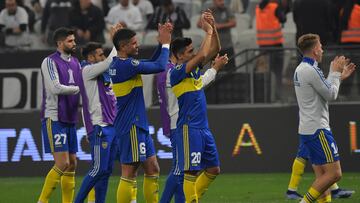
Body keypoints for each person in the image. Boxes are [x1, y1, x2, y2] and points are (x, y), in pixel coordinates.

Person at [157, 36, 227, 203]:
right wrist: (208, 31)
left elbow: (213, 51)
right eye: (190, 51)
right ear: (180, 56)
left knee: (212, 169)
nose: (194, 53)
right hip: (185, 125)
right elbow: (202, 56)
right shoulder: (174, 71)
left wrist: (212, 27)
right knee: (183, 171)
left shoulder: (191, 69)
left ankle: (190, 198)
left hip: (202, 127)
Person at [109, 22, 172, 203]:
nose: (138, 46)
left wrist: (160, 43)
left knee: (152, 168)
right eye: (134, 43)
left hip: (138, 124)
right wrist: (167, 44)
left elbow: (151, 63)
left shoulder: (123, 63)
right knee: (129, 171)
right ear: (123, 46)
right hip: (131, 125)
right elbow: (160, 66)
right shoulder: (125, 65)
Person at [293, 33, 356, 203]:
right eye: (320, 46)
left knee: (322, 177)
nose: (322, 50)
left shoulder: (301, 69)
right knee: (334, 174)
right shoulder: (312, 70)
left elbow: (323, 89)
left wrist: (339, 77)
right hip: (318, 129)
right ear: (314, 50)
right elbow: (331, 94)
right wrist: (334, 73)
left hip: (307, 129)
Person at [74, 24, 122, 203]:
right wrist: (117, 42)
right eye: (100, 54)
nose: (103, 57)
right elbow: (110, 61)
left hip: (112, 126)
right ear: (90, 57)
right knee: (98, 169)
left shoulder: (102, 73)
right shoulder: (86, 70)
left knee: (106, 171)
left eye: (103, 54)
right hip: (99, 127)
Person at [37, 27, 82, 203]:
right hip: (54, 117)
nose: (74, 43)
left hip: (70, 118)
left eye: (73, 40)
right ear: (60, 43)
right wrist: (79, 89)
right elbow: (55, 88)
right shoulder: (49, 61)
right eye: (70, 41)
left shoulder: (76, 62)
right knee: (62, 163)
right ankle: (42, 201)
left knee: (72, 163)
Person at [286, 144, 355, 199]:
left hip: (312, 130)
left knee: (305, 155)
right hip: (312, 130)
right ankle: (292, 191)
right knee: (304, 155)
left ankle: (334, 190)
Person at [255, 0, 286, 102]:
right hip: (276, 46)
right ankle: (278, 96)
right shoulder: (274, 6)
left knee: (266, 73)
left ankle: (266, 97)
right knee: (277, 73)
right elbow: (283, 19)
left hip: (263, 47)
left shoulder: (257, 8)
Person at [198, 0, 236, 70]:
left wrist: (218, 26)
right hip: (214, 47)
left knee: (231, 69)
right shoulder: (209, 11)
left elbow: (233, 23)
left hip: (227, 45)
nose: (222, 2)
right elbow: (199, 24)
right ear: (214, 1)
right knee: (214, 69)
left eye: (222, 0)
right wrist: (208, 24)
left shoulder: (227, 9)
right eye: (219, 0)